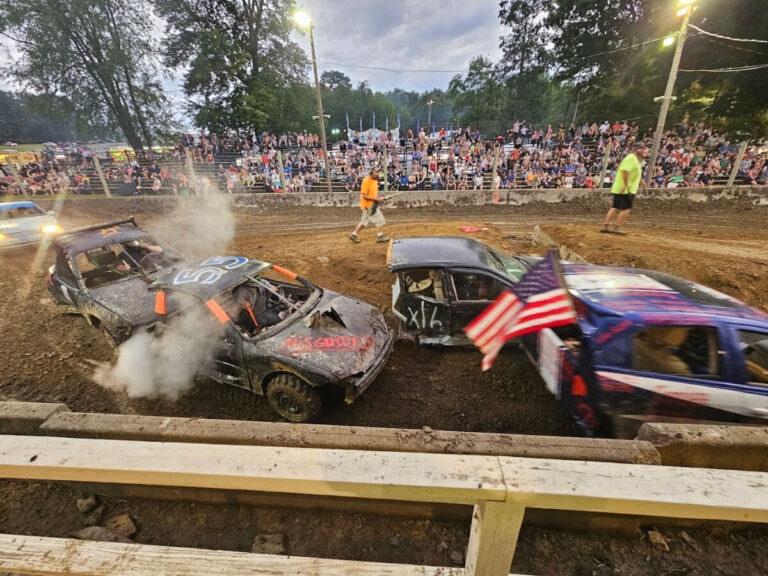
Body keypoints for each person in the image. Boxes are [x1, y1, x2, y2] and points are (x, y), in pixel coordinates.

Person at [600, 144, 648, 235]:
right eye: (645, 152)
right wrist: (626, 185)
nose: (646, 154)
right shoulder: (631, 158)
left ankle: (605, 225)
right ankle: (617, 226)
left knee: (615, 206)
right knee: (626, 208)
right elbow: (625, 171)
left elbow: (635, 173)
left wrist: (641, 182)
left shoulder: (635, 160)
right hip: (626, 189)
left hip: (623, 187)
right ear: (640, 151)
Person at [349, 167, 389, 244]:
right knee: (380, 219)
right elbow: (364, 196)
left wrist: (378, 199)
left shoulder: (375, 181)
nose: (377, 174)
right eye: (376, 172)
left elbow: (373, 194)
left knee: (364, 221)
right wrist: (377, 200)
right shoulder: (366, 181)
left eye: (378, 172)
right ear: (371, 173)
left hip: (370, 205)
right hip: (368, 205)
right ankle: (380, 236)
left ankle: (353, 234)